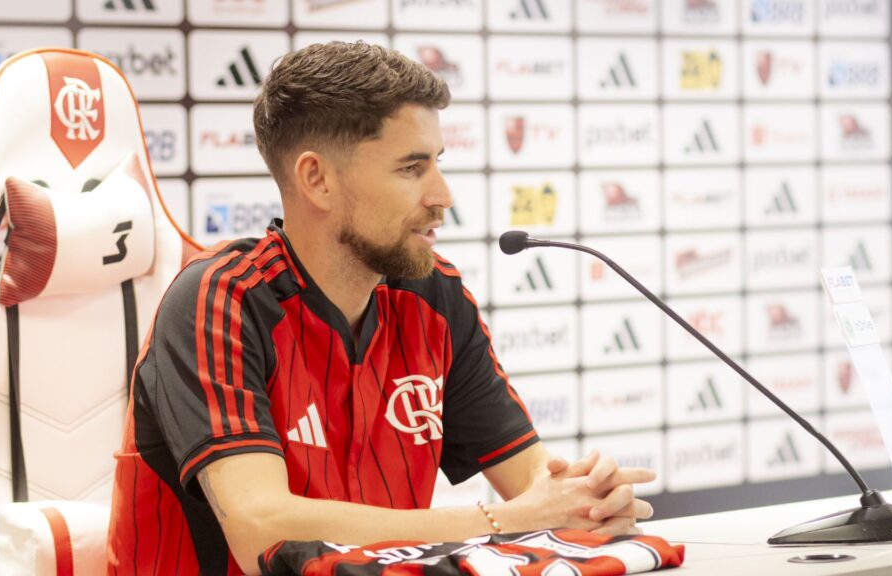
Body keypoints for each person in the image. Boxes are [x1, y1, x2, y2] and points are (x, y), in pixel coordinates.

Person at [107, 41, 656, 576]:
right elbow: (261, 529)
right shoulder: (219, 301)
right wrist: (500, 521)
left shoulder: (434, 297)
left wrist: (587, 500)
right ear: (316, 179)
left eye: (437, 162)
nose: (443, 195)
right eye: (411, 168)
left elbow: (537, 484)